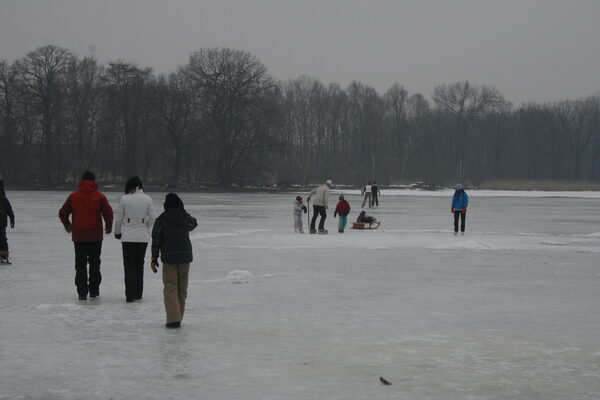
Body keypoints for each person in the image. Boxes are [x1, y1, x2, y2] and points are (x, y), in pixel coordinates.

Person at [59, 171, 113, 300]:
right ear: (94, 181)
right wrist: (109, 225)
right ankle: (94, 290)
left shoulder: (74, 196)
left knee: (80, 264)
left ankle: (82, 292)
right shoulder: (99, 196)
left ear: (82, 180)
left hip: (79, 236)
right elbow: (108, 212)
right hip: (95, 236)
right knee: (95, 264)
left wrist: (68, 226)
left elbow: (63, 213)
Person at [151, 193, 197, 328]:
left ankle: (173, 319)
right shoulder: (184, 218)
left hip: (169, 257)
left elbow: (156, 240)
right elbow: (194, 223)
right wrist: (183, 212)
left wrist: (154, 258)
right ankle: (178, 317)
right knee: (182, 289)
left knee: (170, 287)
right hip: (185, 256)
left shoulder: (161, 219)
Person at [114, 176, 156, 302]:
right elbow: (153, 217)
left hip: (128, 236)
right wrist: (145, 226)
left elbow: (119, 218)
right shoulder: (147, 199)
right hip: (142, 237)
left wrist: (117, 232)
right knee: (139, 265)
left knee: (129, 266)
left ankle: (130, 295)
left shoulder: (124, 199)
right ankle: (138, 293)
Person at [0, 179, 15, 264]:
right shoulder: (4, 197)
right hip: (2, 221)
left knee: (2, 237)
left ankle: (4, 253)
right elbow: (9, 209)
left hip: (2, 220)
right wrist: (12, 218)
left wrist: (12, 218)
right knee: (2, 237)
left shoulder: (3, 198)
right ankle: (4, 253)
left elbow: (8, 209)